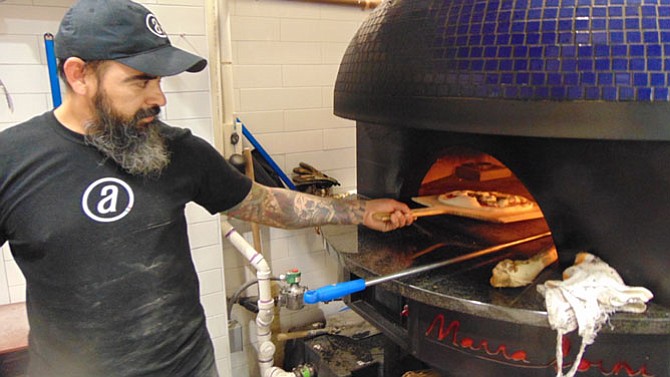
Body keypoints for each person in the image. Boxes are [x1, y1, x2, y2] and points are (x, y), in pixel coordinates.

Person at [0, 0, 414, 376]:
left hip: (187, 366)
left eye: (159, 80)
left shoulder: (177, 150)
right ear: (79, 74)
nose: (159, 97)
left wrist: (359, 211)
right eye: (140, 80)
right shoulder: (12, 159)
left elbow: (265, 203)